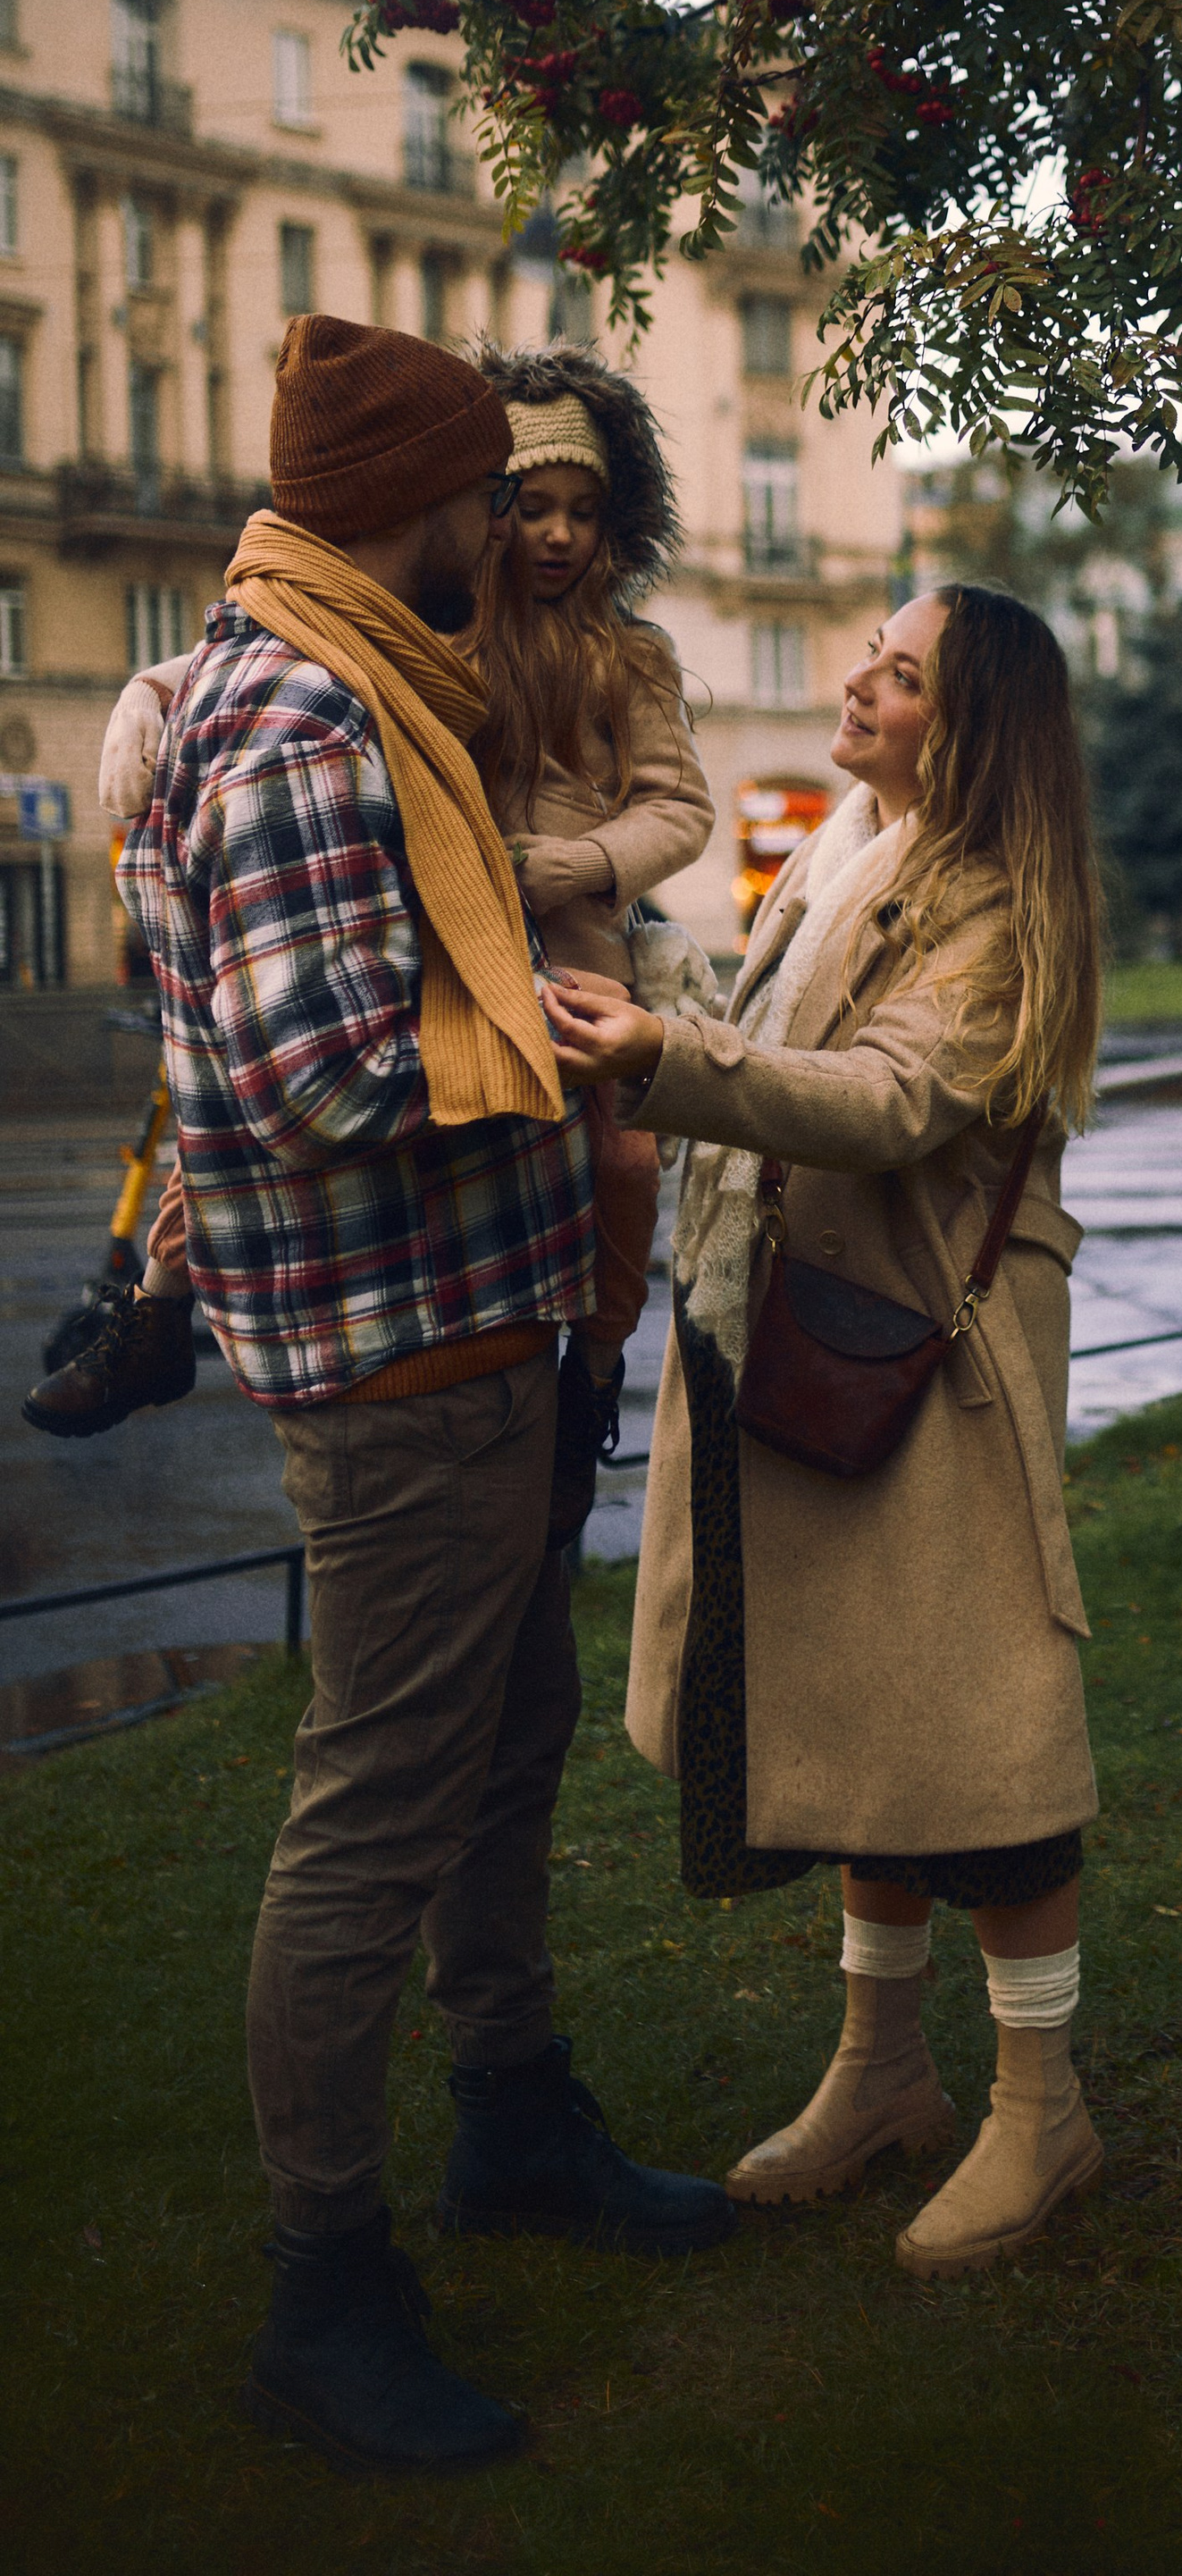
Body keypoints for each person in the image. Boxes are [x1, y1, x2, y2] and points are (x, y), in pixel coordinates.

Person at [113, 315, 734, 2481]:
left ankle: (515, 2119)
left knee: (498, 1745)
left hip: (487, 1328)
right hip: (397, 1358)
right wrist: (594, 1060)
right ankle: (327, 2284)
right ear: (418, 503)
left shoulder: (348, 672)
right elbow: (316, 1072)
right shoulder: (301, 708)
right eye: (485, 487)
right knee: (377, 1803)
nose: (511, 519)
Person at [541, 583, 1105, 2279]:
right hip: (791, 1331)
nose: (856, 680)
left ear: (973, 726)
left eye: (899, 671)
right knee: (859, 1725)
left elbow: (889, 1099)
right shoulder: (861, 830)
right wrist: (662, 995)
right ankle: (881, 2077)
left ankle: (1043, 2111)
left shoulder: (999, 902)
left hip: (926, 1366)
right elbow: (789, 1029)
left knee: (979, 1747)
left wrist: (666, 1057)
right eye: (871, 650)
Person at [29, 347, 713, 1498]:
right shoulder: (439, 630)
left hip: (573, 951)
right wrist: (142, 697)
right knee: (222, 1146)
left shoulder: (629, 659)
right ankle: (152, 1314)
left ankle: (591, 1379)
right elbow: (248, 654)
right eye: (527, 506)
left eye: (581, 515)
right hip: (443, 930)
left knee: (624, 1162)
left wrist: (582, 863)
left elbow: (681, 807)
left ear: (616, 524)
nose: (552, 536)